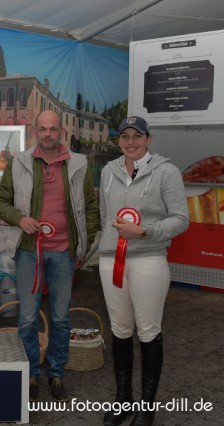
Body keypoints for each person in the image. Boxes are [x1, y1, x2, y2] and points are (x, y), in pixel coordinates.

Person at [0, 109, 99, 402]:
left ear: (61, 131)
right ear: (34, 131)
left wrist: (82, 244)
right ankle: (31, 376)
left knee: (61, 318)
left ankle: (56, 374)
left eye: (53, 129)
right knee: (27, 319)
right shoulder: (19, 162)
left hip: (64, 253)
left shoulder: (79, 164)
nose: (48, 134)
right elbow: (1, 202)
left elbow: (90, 207)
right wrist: (19, 218)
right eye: (43, 129)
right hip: (29, 252)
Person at [98, 116, 188, 426]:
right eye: (125, 136)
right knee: (120, 329)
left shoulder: (167, 172)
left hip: (148, 259)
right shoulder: (109, 171)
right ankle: (123, 400)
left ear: (149, 139)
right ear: (119, 139)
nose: (131, 141)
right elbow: (103, 214)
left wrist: (145, 231)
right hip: (112, 259)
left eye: (138, 135)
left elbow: (180, 219)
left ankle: (147, 407)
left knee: (149, 331)